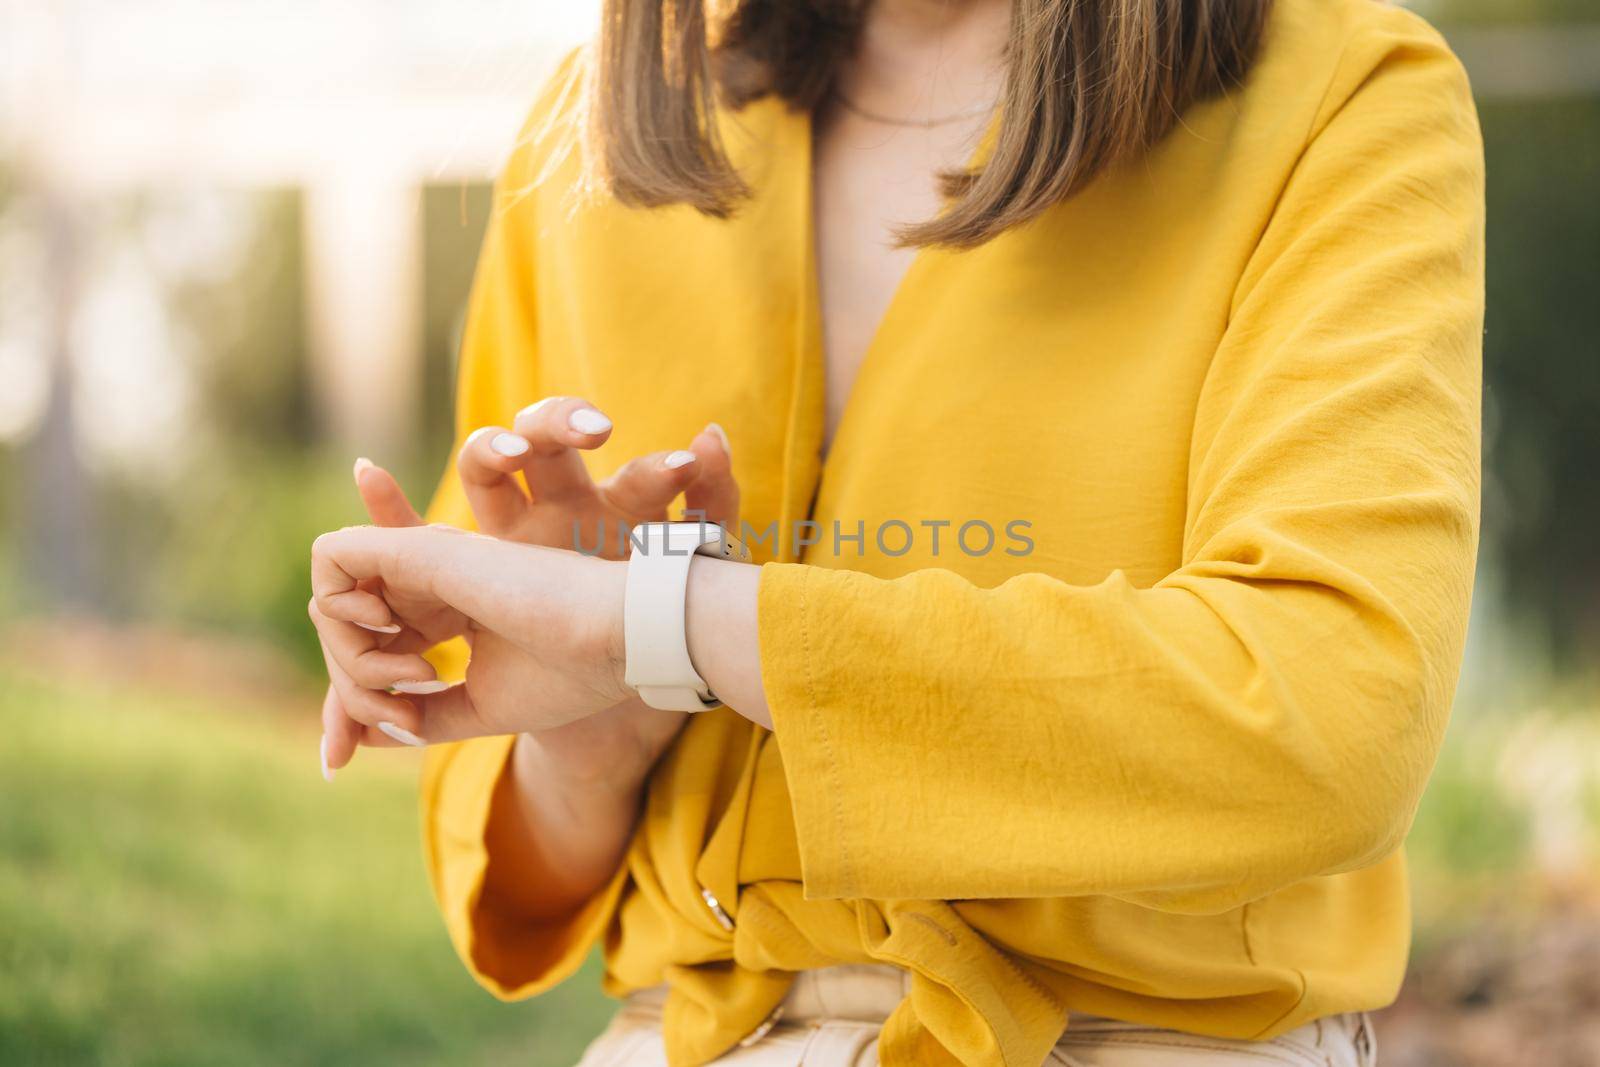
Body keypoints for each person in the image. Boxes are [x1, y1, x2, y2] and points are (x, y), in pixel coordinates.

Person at [307, 0, 1484, 1062]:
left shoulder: (1341, 91)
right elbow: (514, 860)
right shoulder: (587, 132)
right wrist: (594, 743)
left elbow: (1327, 718)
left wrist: (677, 621)